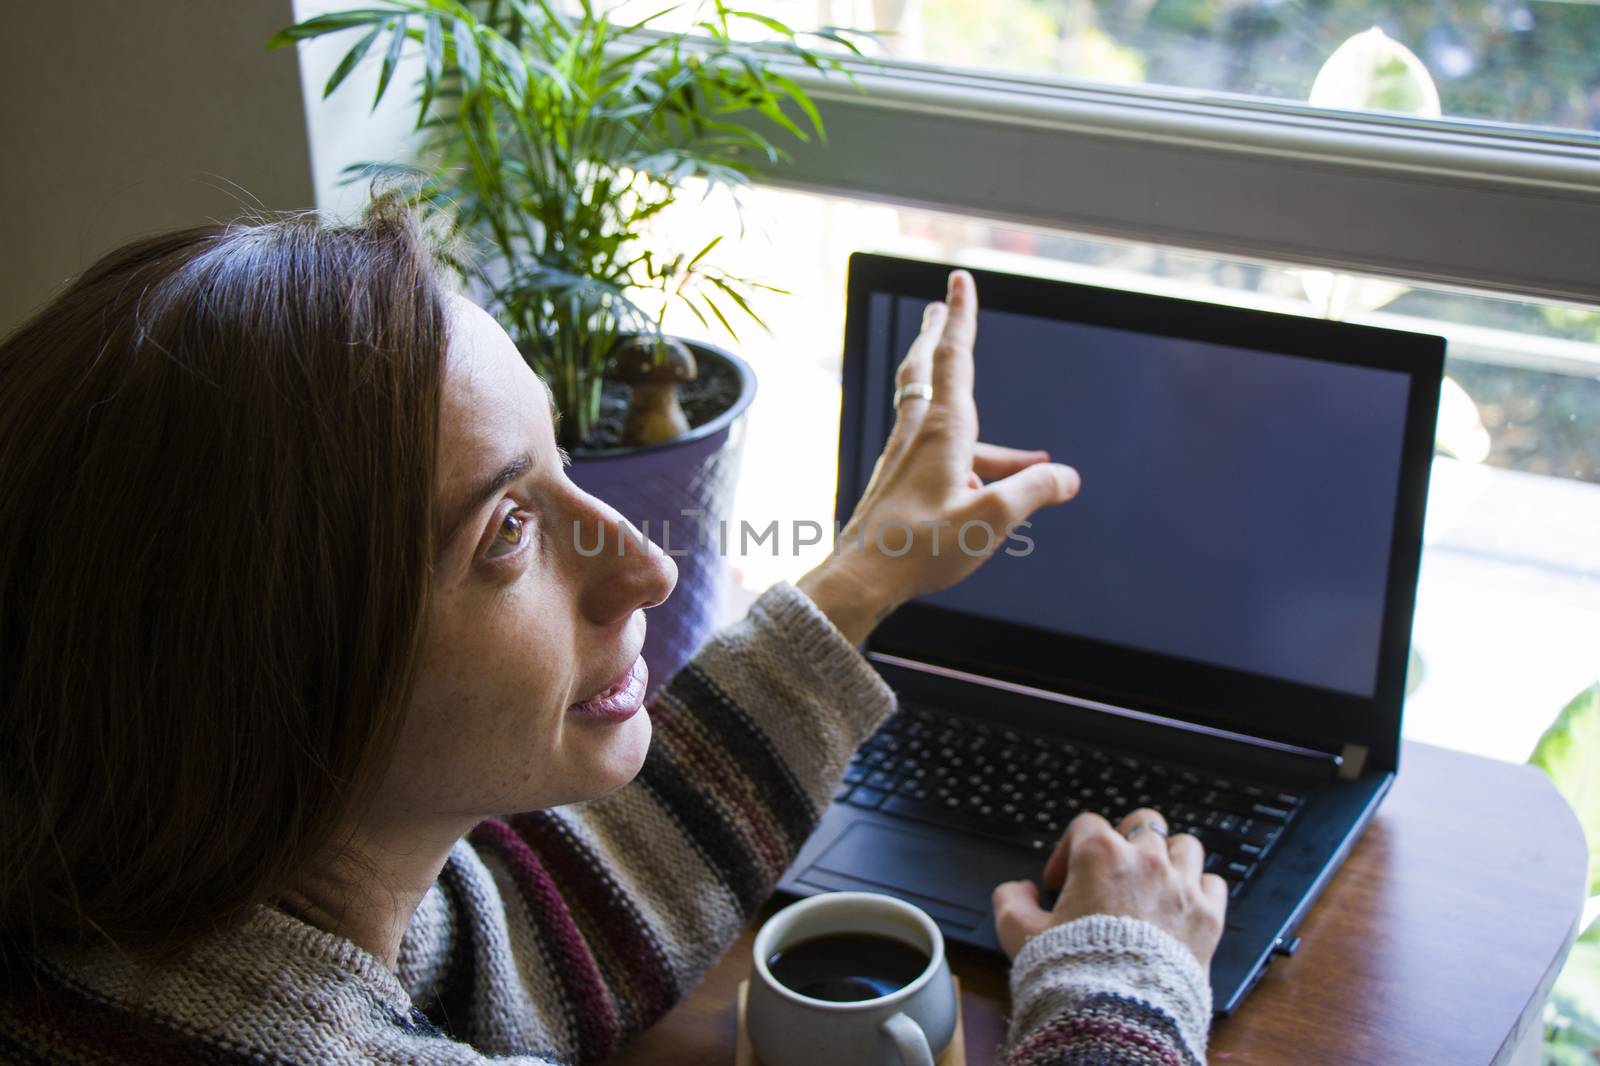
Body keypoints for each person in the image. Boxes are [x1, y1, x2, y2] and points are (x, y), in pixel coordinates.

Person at [0, 195, 1225, 1065]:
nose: (644, 563)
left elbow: (533, 951)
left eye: (559, 457)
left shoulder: (134, 910)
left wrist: (862, 577)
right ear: (268, 671)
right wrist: (1119, 975)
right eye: (507, 532)